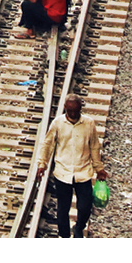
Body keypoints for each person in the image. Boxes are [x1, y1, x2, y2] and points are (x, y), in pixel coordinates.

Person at [37, 95, 106, 238]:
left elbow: (94, 146)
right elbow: (47, 144)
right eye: (70, 110)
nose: (73, 114)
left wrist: (99, 168)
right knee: (63, 208)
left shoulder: (89, 123)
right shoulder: (58, 123)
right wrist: (42, 164)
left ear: (80, 108)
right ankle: (65, 236)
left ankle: (79, 227)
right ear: (65, 108)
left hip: (83, 172)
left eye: (76, 110)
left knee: (85, 207)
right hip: (62, 173)